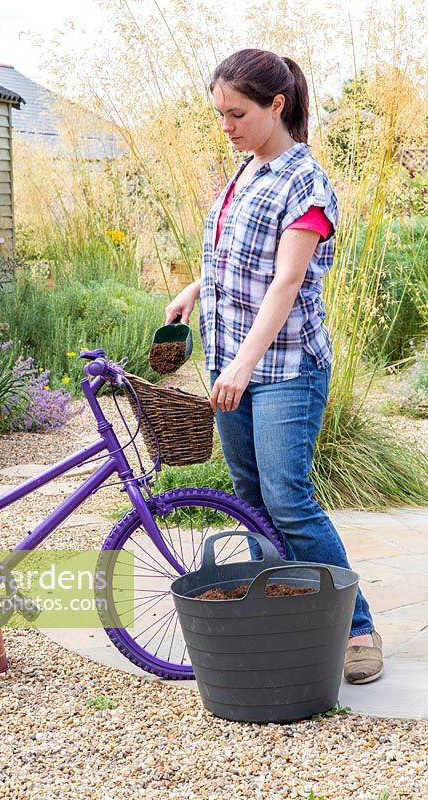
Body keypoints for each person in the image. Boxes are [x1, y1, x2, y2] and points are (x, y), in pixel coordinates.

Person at [164, 48, 383, 684]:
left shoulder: (304, 182)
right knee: (252, 500)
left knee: (288, 501)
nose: (226, 125)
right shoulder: (244, 172)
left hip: (285, 368)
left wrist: (240, 367)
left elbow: (286, 283)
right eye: (219, 114)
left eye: (236, 113)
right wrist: (194, 287)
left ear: (275, 105)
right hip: (234, 361)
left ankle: (358, 628)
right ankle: (288, 614)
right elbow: (238, 254)